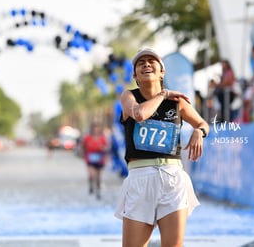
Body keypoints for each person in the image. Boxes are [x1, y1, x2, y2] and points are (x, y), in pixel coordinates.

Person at [115, 47, 209, 247]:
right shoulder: (128, 97)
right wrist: (162, 95)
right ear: (135, 75)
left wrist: (199, 132)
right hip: (140, 178)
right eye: (141, 63)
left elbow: (203, 123)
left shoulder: (178, 103)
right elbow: (140, 115)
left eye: (151, 61)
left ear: (162, 72)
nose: (146, 64)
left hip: (172, 177)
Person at [80, 122, 109, 200]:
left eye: (97, 129)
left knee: (98, 177)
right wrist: (83, 155)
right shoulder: (87, 138)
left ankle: (98, 191)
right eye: (94, 129)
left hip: (99, 158)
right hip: (90, 158)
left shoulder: (102, 138)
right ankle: (91, 185)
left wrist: (104, 149)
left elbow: (106, 148)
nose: (96, 130)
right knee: (91, 175)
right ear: (92, 130)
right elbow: (82, 147)